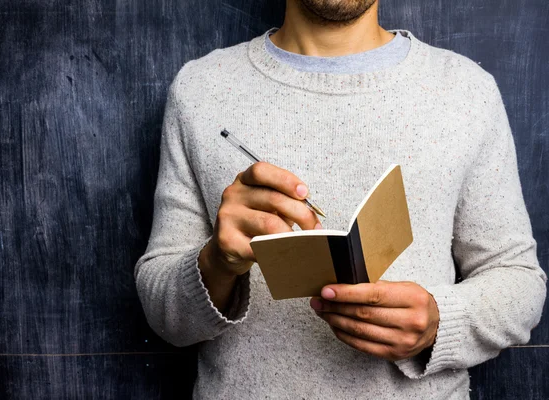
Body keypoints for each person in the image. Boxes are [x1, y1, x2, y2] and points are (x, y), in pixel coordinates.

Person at [135, 0, 547, 398]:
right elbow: (163, 315)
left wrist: (440, 322)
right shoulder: (200, 89)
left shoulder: (466, 91)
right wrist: (218, 263)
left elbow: (519, 280)